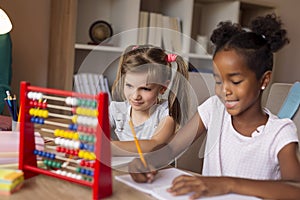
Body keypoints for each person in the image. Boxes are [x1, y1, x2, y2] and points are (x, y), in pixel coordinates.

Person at [128, 14, 300, 199]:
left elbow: (295, 189)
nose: (224, 90)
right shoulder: (214, 109)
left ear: (263, 80)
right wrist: (148, 161)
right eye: (218, 81)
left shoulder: (279, 132)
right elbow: (171, 149)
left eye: (235, 81)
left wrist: (228, 184)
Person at [109, 45, 193, 155]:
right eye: (129, 85)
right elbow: (96, 132)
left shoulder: (167, 114)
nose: (135, 96)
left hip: (154, 170)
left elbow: (154, 144)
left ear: (163, 87)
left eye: (145, 88)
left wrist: (109, 146)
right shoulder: (116, 109)